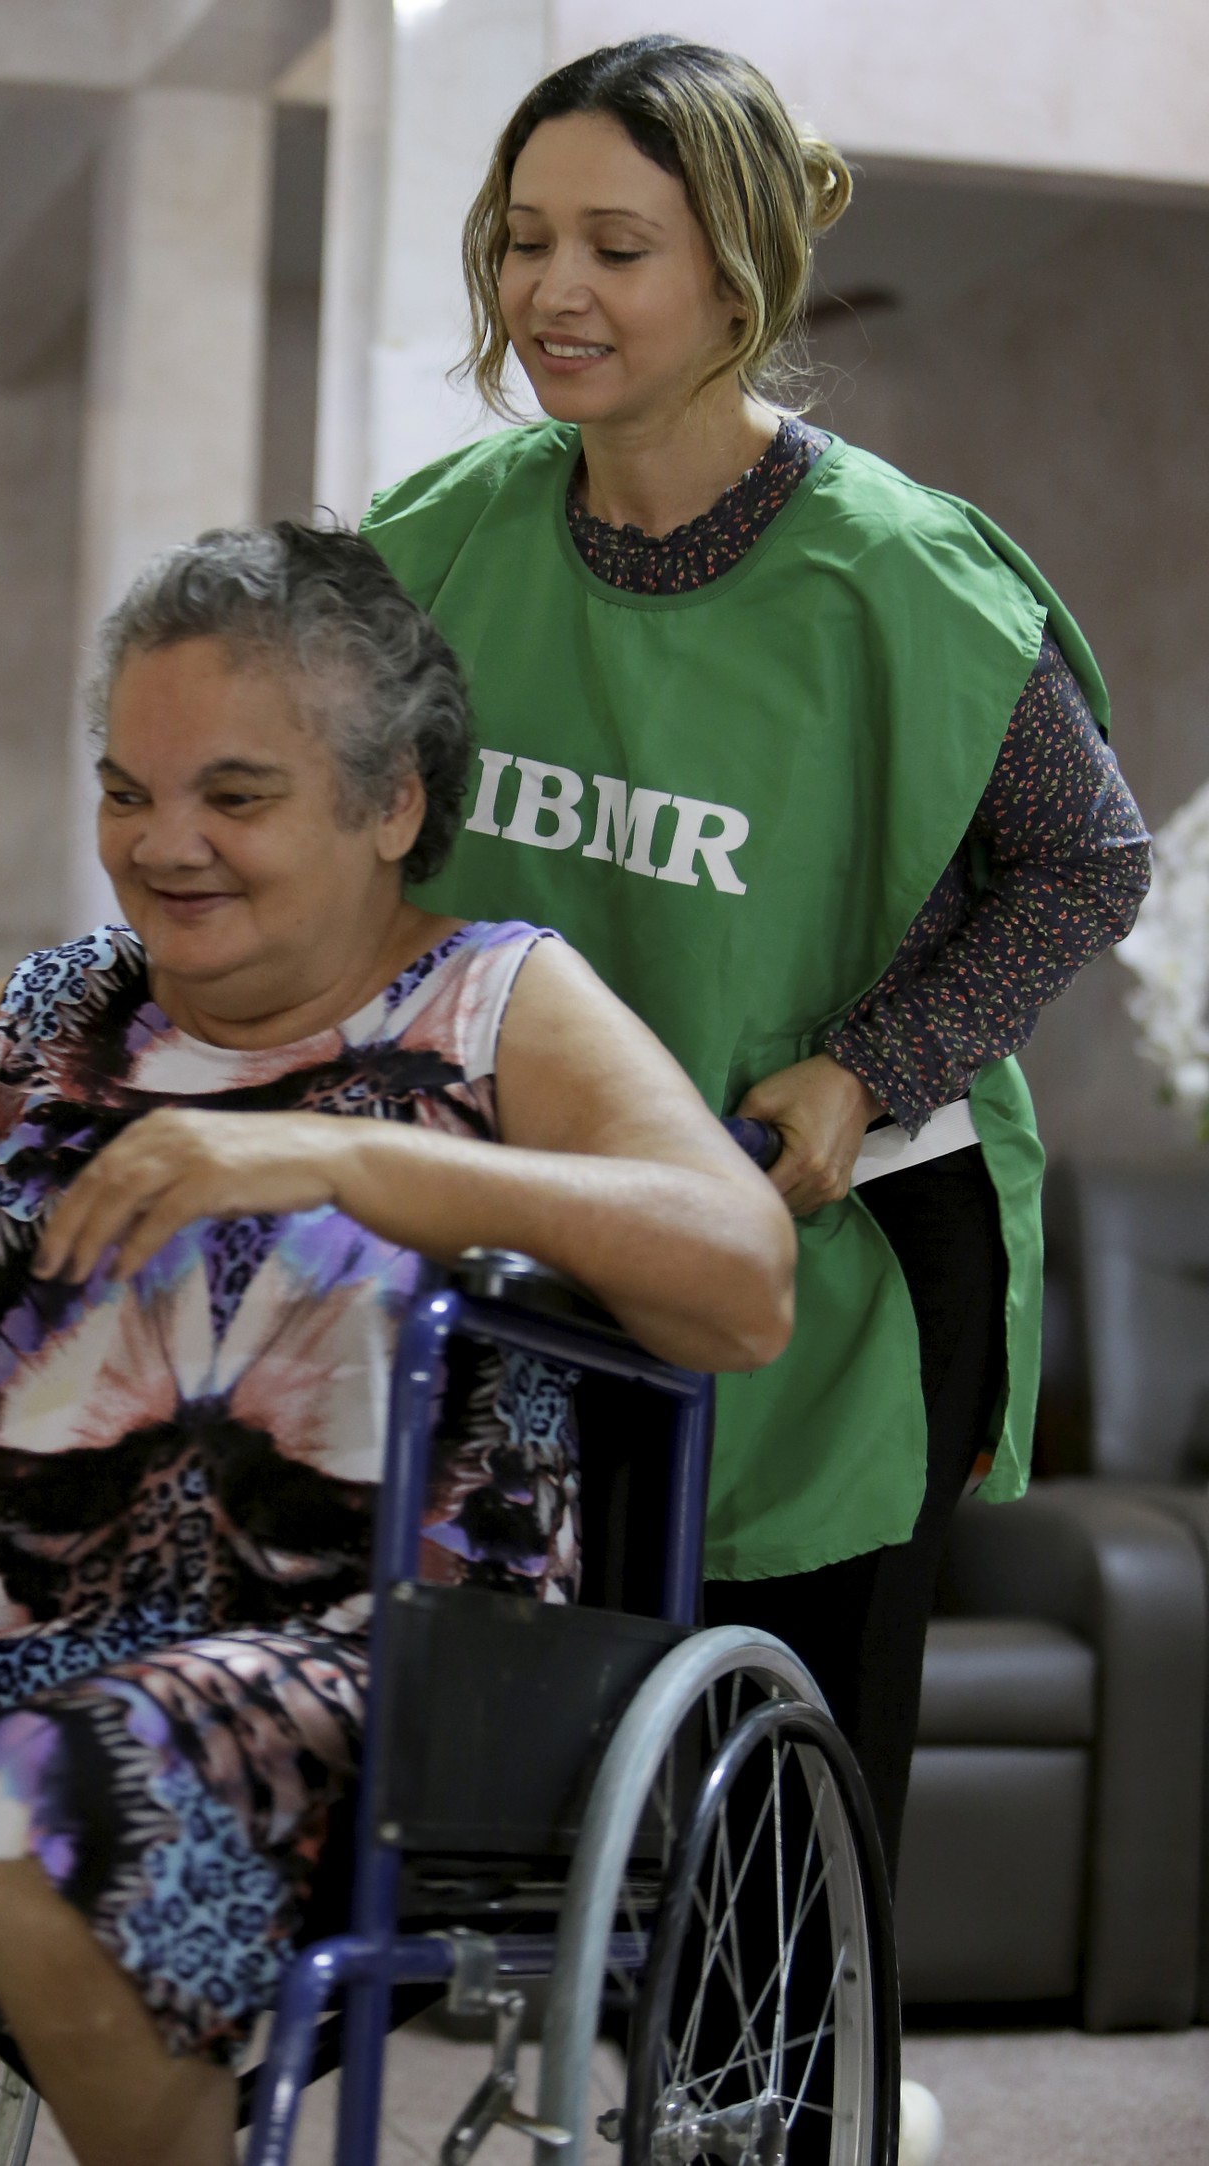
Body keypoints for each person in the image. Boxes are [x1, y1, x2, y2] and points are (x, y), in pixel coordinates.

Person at [0, 527, 793, 2166]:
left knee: (56, 1796)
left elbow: (745, 1274)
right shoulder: (59, 1011)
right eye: (127, 790)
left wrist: (342, 1156)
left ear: (392, 804)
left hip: (349, 1665)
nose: (163, 845)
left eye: (233, 797)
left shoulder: (495, 1002)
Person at [361, 35, 1151, 1893]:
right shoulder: (437, 543)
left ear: (737, 270)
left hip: (844, 1232)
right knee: (535, 1801)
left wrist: (870, 1061)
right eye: (524, 238)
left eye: (615, 247)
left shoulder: (904, 576)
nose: (552, 290)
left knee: (771, 1817)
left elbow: (1085, 860)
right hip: (547, 1220)